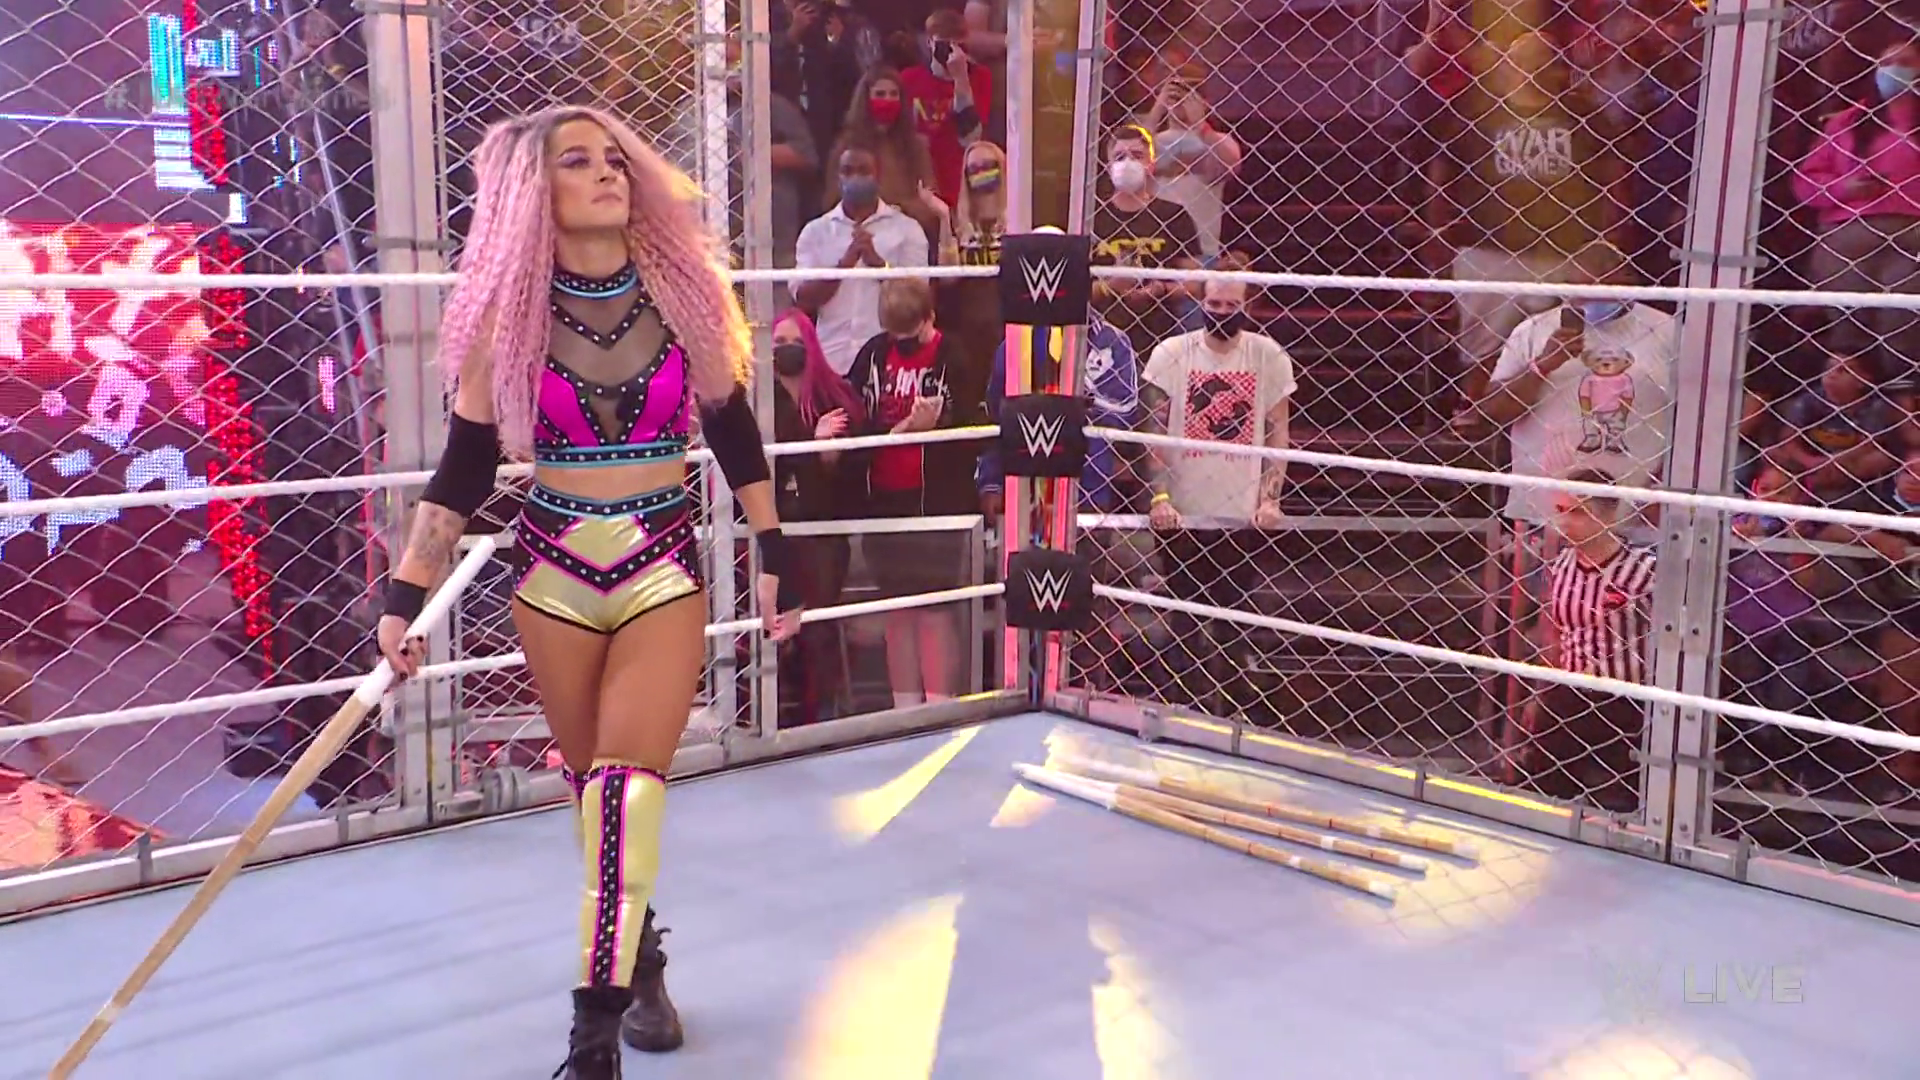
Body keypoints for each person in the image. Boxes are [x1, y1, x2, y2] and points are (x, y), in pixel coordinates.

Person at [372, 106, 803, 1079]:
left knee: (624, 797)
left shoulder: (684, 295)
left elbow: (732, 427)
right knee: (593, 801)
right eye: (578, 161)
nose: (607, 173)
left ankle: (591, 1043)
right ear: (534, 190)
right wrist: (401, 599)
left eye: (615, 158)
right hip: (553, 576)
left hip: (661, 566)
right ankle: (639, 964)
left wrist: (775, 544)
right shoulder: (506, 320)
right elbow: (463, 468)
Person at [846, 277, 976, 708]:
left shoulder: (953, 356)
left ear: (929, 318)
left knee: (934, 610)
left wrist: (938, 425)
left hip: (936, 499)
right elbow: (855, 417)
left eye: (910, 335)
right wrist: (904, 430)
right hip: (884, 497)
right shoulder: (873, 354)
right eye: (895, 336)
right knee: (897, 609)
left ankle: (938, 710)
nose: (901, 345)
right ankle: (904, 713)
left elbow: (975, 429)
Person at [1512, 467, 1657, 812]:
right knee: (1541, 787)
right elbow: (1554, 636)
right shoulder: (1561, 565)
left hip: (1626, 698)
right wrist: (1540, 695)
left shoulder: (1644, 570)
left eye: (1578, 512)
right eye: (1562, 511)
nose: (1565, 523)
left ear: (1607, 515)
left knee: (1619, 799)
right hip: (1569, 691)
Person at [769, 309, 866, 723]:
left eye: (795, 342)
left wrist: (826, 456)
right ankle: (773, 716)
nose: (787, 349)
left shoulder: (832, 397)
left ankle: (823, 716)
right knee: (775, 625)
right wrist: (810, 445)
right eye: (778, 343)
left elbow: (846, 467)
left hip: (822, 528)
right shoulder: (759, 400)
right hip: (774, 528)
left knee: (818, 625)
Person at [795, 147, 931, 375]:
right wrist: (844, 266)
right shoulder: (815, 232)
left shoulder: (907, 229)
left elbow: (919, 298)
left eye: (864, 171)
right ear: (838, 177)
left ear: (878, 175)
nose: (855, 178)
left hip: (888, 362)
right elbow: (803, 298)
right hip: (831, 361)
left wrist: (879, 265)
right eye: (848, 171)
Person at [900, 7, 993, 205]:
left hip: (960, 183)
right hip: (922, 182)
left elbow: (971, 138)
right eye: (945, 45)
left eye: (959, 45)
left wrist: (961, 79)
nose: (953, 52)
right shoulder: (909, 79)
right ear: (930, 43)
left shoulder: (980, 77)